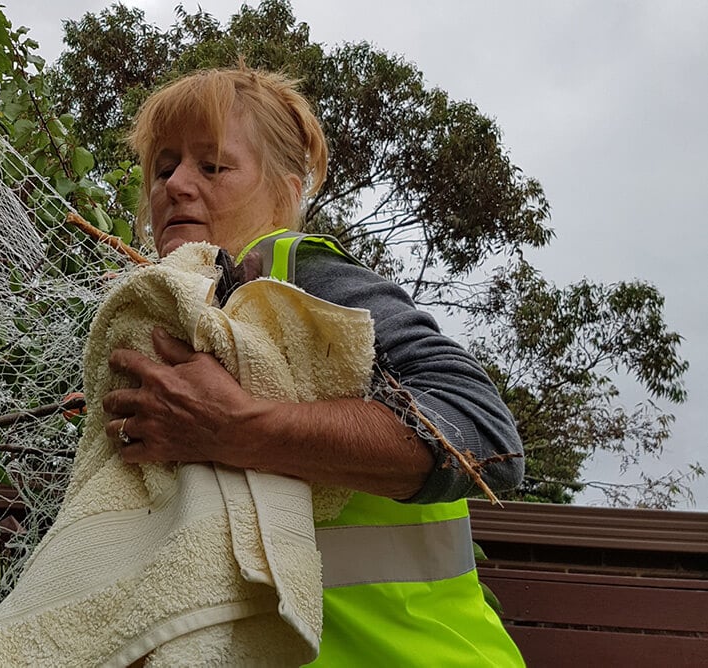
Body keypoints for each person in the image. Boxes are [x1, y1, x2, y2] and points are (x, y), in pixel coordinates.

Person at [101, 64, 526, 666]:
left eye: (213, 165)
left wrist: (241, 430)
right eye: (163, 168)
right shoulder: (172, 316)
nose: (176, 185)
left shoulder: (299, 278)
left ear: (288, 188)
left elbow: (486, 438)